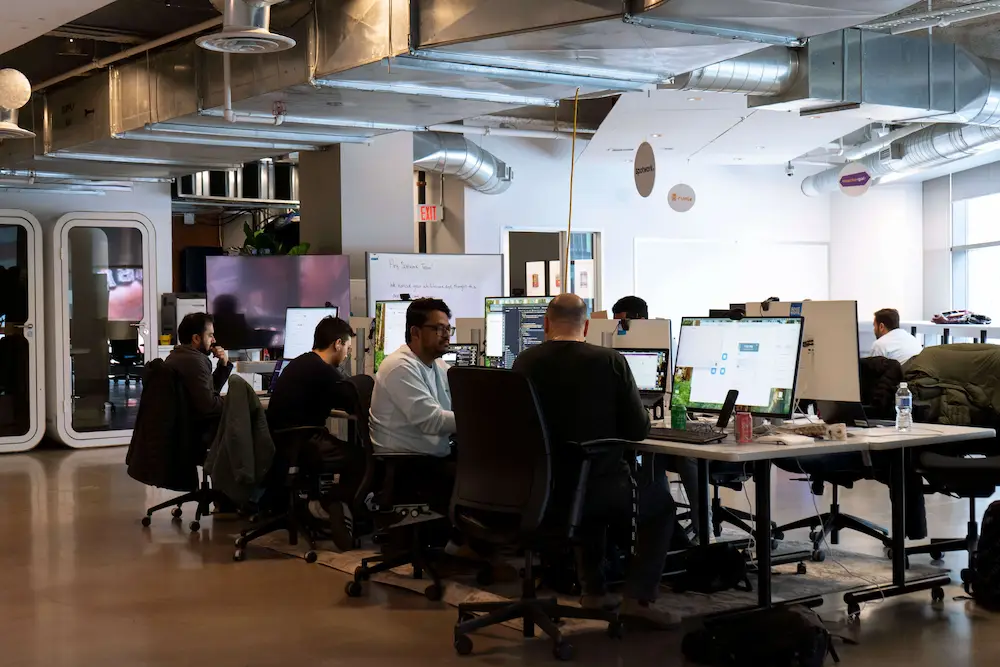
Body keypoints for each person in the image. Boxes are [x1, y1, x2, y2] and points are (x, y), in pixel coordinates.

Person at [512, 294, 678, 629]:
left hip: (541, 489)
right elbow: (637, 430)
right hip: (597, 487)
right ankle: (638, 600)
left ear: (545, 323)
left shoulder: (524, 362)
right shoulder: (610, 361)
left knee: (590, 496)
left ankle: (594, 591)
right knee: (659, 506)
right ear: (587, 326)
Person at [266, 316, 359, 550]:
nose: (347, 354)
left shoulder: (301, 363)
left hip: (284, 443)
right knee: (361, 460)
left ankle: (320, 506)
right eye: (348, 348)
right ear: (337, 344)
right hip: (305, 444)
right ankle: (328, 504)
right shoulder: (323, 370)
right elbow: (354, 400)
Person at [369, 298, 455, 458]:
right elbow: (432, 421)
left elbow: (462, 395)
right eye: (439, 329)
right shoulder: (399, 366)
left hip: (431, 455)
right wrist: (481, 421)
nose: (446, 335)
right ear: (415, 332)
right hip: (408, 462)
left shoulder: (437, 364)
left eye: (448, 329)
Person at [164, 312, 233, 445]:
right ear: (196, 338)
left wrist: (223, 365)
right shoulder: (195, 361)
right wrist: (234, 400)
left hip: (182, 430)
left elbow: (208, 392)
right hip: (196, 433)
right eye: (210, 335)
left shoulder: (176, 356)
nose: (214, 340)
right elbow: (209, 406)